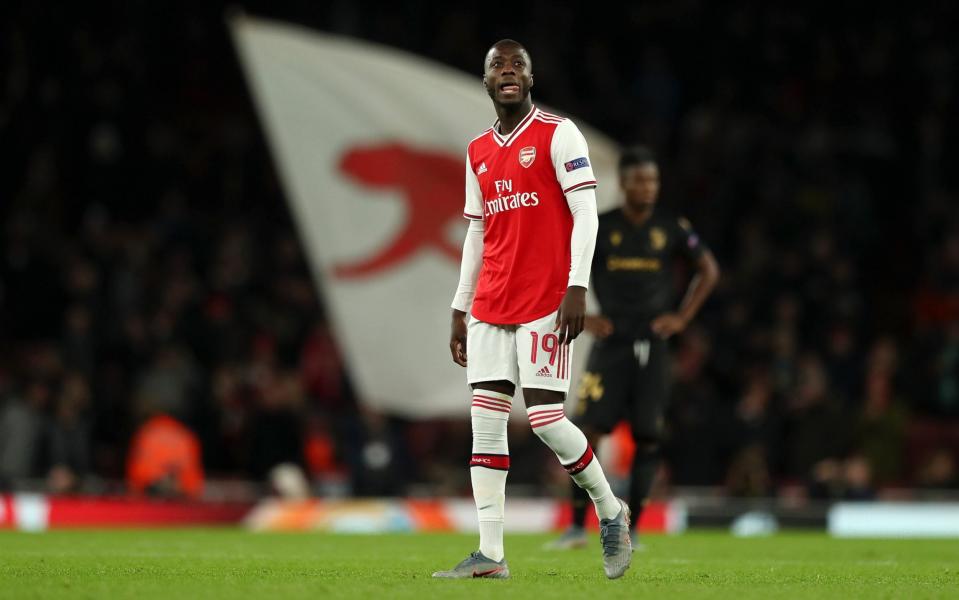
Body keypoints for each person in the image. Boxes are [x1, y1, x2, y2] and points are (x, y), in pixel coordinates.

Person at [433, 39, 631, 580]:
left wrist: (577, 286)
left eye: (517, 64)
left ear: (531, 77)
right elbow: (477, 230)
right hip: (491, 303)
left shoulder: (558, 134)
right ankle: (492, 555)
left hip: (546, 299)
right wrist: (460, 304)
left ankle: (611, 510)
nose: (508, 72)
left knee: (545, 419)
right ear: (487, 81)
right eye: (497, 65)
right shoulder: (477, 150)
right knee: (487, 428)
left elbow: (586, 212)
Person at [548, 146, 719, 550]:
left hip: (653, 345)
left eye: (653, 180)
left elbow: (709, 270)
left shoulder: (671, 226)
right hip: (610, 344)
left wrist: (682, 318)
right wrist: (583, 316)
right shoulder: (600, 227)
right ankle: (576, 526)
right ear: (623, 183)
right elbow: (560, 267)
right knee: (586, 430)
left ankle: (635, 530)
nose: (648, 187)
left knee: (649, 435)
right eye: (640, 180)